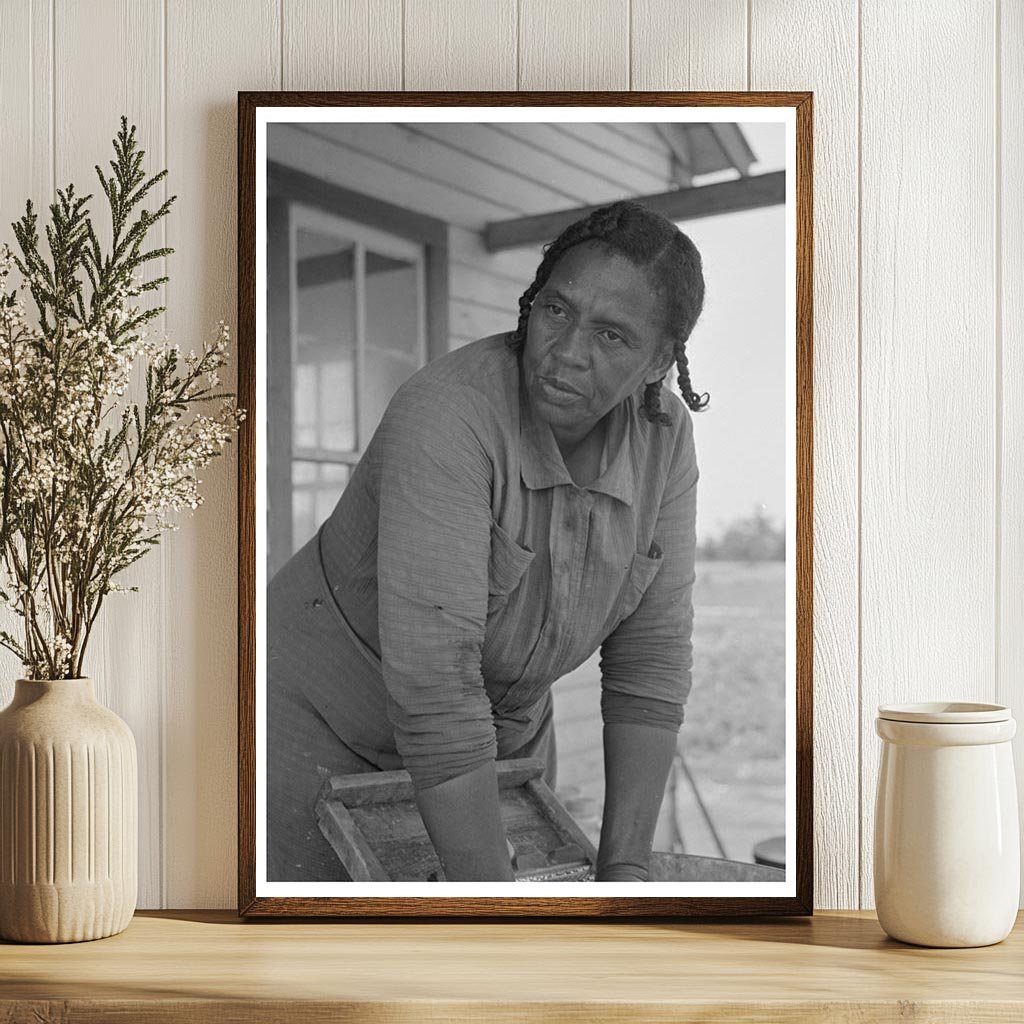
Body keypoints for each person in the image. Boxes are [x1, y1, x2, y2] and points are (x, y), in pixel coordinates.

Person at [267, 199, 709, 883]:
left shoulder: (665, 440)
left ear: (659, 362)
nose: (566, 352)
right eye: (556, 310)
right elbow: (436, 688)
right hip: (320, 722)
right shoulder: (448, 415)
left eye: (613, 336)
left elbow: (648, 668)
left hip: (504, 739)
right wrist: (494, 905)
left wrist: (626, 878)